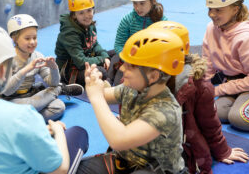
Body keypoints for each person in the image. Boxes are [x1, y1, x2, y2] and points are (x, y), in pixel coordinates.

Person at [0, 23, 89, 174]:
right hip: (22, 113)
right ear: (3, 69)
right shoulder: (21, 117)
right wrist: (58, 131)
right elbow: (60, 170)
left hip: (23, 114)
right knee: (78, 133)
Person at [77, 28, 188, 174]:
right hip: (126, 162)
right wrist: (94, 83)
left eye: (130, 66)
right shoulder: (132, 88)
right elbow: (103, 95)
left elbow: (119, 140)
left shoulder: (166, 110)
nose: (122, 68)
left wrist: (96, 96)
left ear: (153, 76)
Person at [149, 21, 249, 174]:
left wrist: (222, 151)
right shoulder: (141, 79)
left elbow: (210, 124)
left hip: (182, 148)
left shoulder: (199, 86)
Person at [203, 0, 249, 133]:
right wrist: (201, 88)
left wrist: (220, 90)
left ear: (235, 9)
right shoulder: (210, 28)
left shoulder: (245, 37)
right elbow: (207, 64)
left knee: (239, 117)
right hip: (235, 84)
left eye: (218, 10)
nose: (212, 14)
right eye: (210, 9)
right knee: (212, 113)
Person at [2, 14, 84, 122]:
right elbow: (7, 91)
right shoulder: (7, 59)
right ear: (14, 38)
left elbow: (53, 83)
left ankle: (23, 120)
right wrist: (27, 69)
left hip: (30, 95)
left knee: (59, 107)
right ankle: (60, 89)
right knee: (33, 104)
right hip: (11, 101)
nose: (32, 42)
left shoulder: (38, 56)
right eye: (27, 38)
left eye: (34, 38)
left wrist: (54, 69)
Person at [108, 0, 167, 86]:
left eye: (142, 3)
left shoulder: (162, 22)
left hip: (150, 62)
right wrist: (128, 59)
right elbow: (119, 45)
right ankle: (107, 81)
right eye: (135, 3)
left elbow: (165, 48)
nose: (138, 8)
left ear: (153, 0)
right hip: (129, 58)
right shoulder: (128, 20)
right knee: (116, 62)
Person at [55, 0, 110, 86]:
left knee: (115, 54)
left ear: (93, 9)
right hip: (70, 70)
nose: (87, 16)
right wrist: (101, 60)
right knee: (101, 71)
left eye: (89, 10)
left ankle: (107, 78)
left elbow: (94, 44)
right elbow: (81, 62)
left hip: (86, 58)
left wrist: (104, 55)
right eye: (81, 13)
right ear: (74, 15)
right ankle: (108, 79)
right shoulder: (70, 33)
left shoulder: (89, 24)